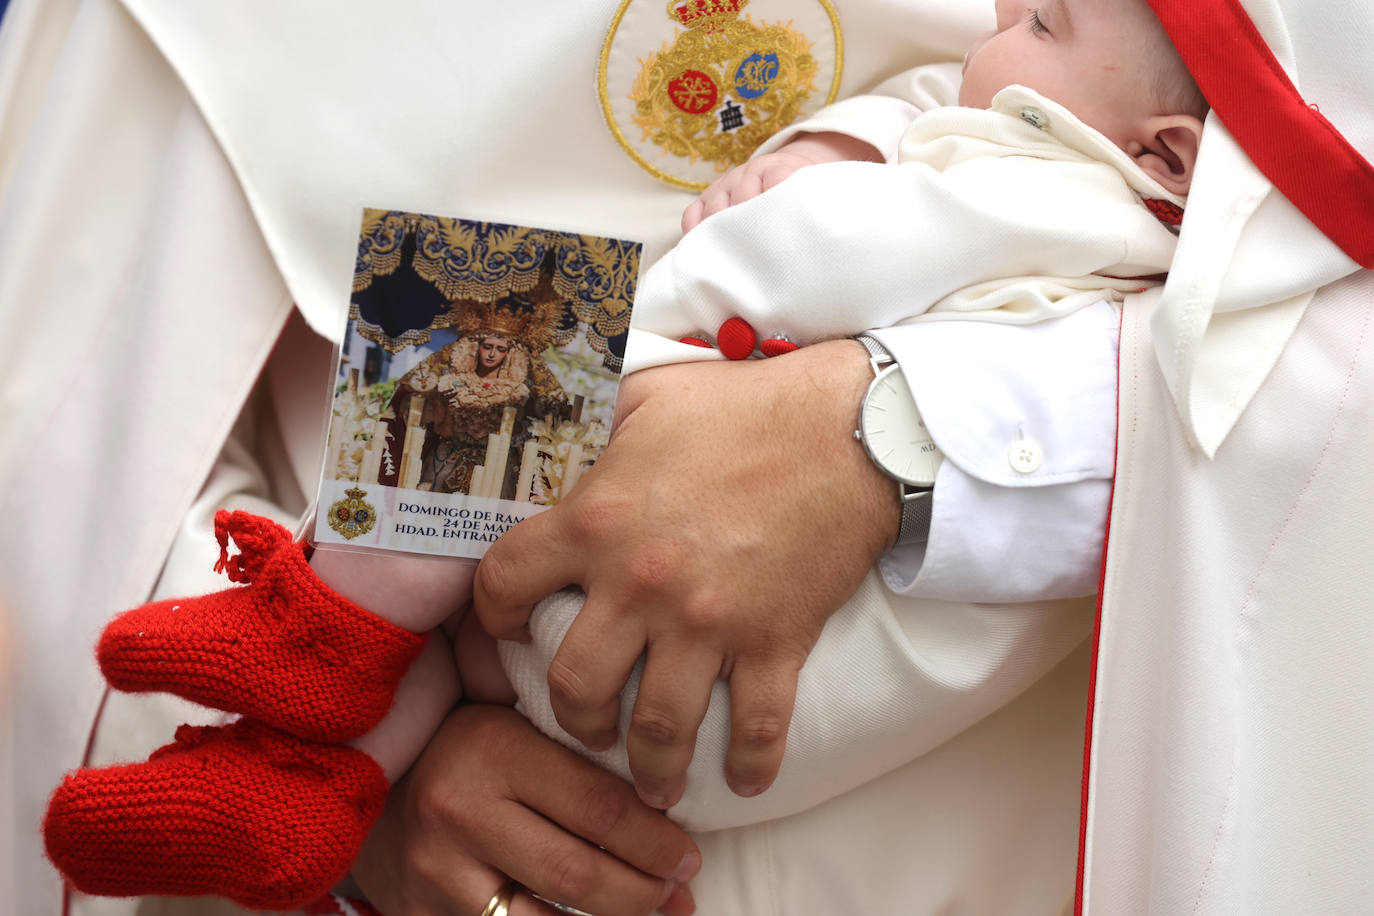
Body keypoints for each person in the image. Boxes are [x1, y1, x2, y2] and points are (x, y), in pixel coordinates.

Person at [42, 0, 1206, 908]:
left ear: (1172, 156)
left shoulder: (1041, 183)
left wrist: (786, 267)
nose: (1000, 21)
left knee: (479, 318)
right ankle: (302, 785)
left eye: (1041, 23)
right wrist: (843, 135)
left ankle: (312, 636)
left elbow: (805, 256)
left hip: (723, 614)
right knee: (456, 628)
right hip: (697, 725)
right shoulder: (1108, 181)